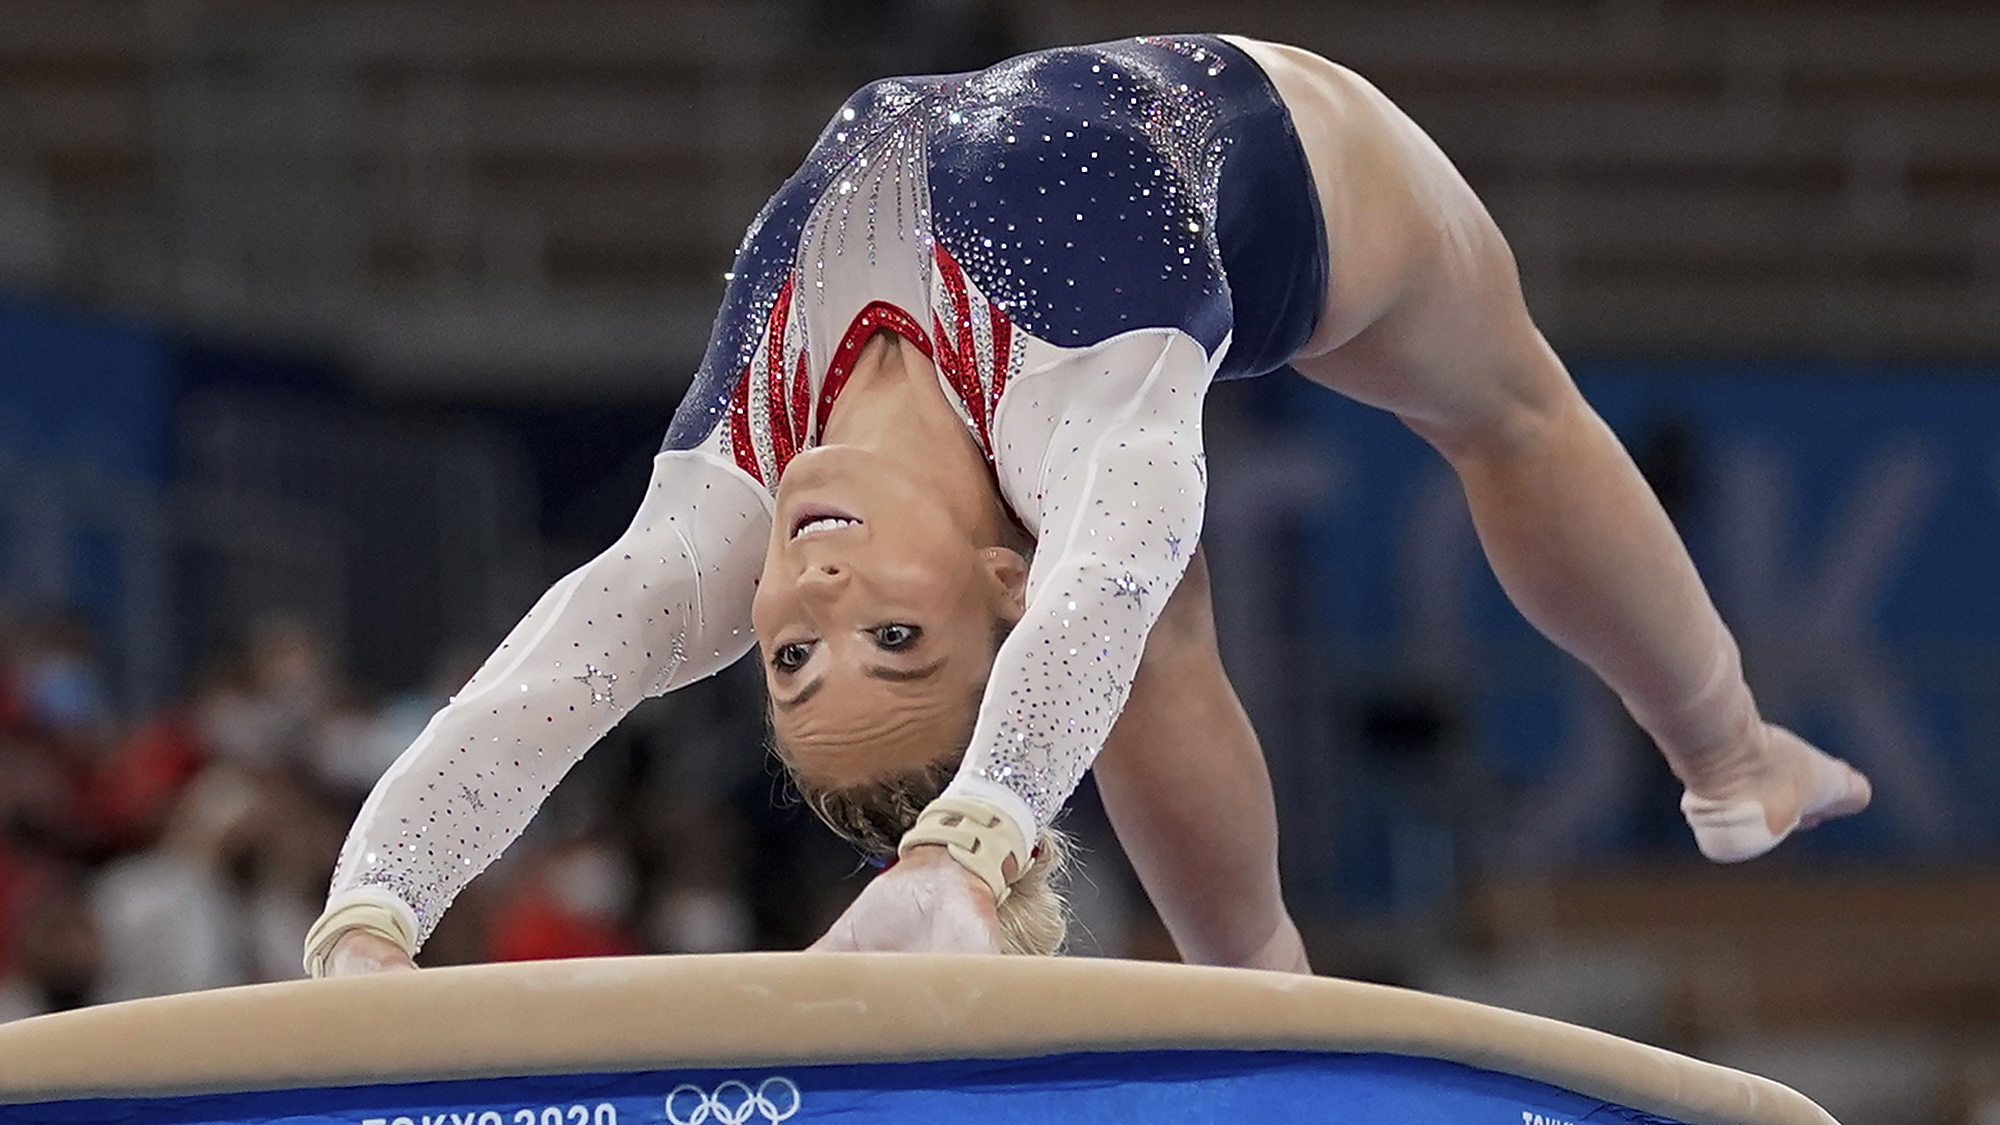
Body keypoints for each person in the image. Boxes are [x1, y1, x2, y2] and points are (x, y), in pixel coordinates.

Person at [305, 34, 1872, 979]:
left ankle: (1727, 766)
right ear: (999, 572)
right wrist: (969, 855)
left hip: (1146, 166)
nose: (819, 616)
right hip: (1298, 188)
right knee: (1499, 417)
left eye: (792, 666)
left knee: (1161, 601)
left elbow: (533, 690)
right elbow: (1099, 598)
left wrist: (368, 918)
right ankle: (1292, 972)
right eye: (898, 643)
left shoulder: (726, 512)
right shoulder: (1077, 415)